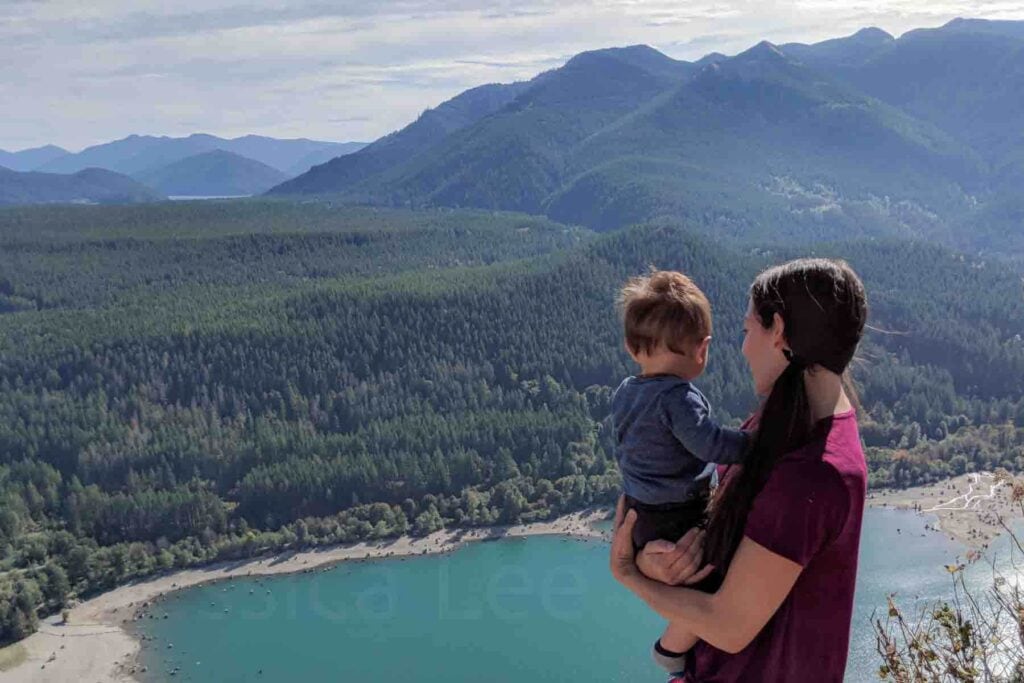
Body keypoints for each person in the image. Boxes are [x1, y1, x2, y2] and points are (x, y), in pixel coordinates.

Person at [610, 258, 869, 682]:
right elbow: (724, 544)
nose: (743, 347)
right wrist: (658, 562)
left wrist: (628, 574)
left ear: (779, 331)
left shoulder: (812, 473)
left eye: (748, 330)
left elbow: (727, 626)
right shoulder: (780, 429)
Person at [612, 270, 751, 674]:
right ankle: (671, 650)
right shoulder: (678, 398)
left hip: (642, 513)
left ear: (631, 347)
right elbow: (709, 444)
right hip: (678, 512)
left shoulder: (625, 391)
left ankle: (675, 648)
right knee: (713, 579)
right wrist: (756, 444)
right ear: (702, 349)